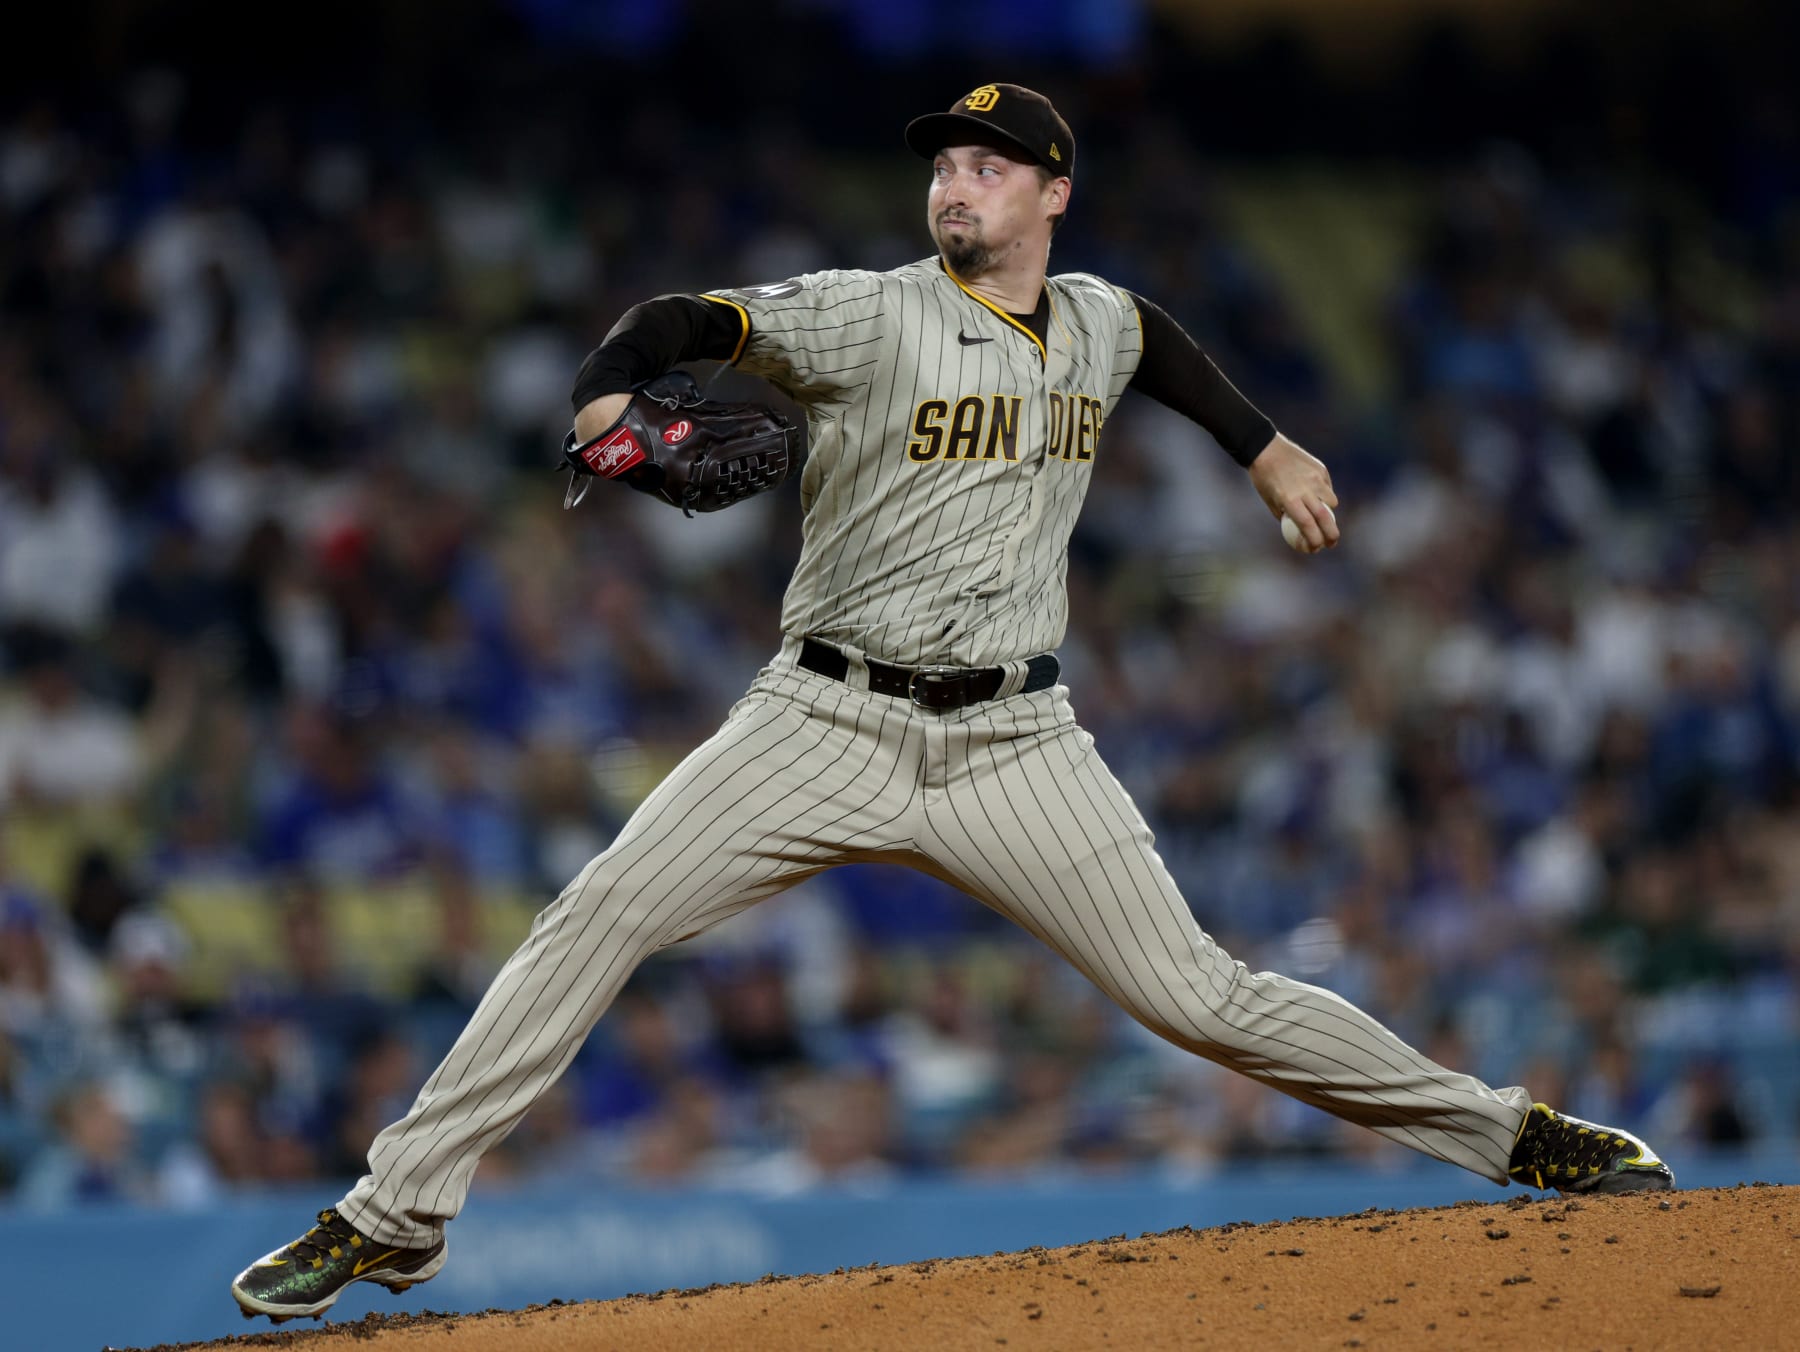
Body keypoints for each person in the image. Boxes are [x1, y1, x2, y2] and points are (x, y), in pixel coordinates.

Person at [231, 82, 1671, 1323]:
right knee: (595, 914)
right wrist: (610, 396)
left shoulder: (1096, 321)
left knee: (1207, 998)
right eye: (942, 164)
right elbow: (684, 317)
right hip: (821, 721)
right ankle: (395, 1213)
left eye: (986, 166)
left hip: (1013, 743)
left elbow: (1152, 341)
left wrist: (1266, 444)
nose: (954, 184)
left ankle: (1517, 1138)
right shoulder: (868, 316)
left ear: (1052, 192)